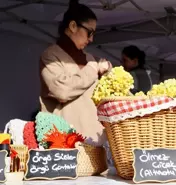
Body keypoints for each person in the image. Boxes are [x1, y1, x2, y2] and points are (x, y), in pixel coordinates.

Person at [39, 0, 111, 146]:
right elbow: (62, 91)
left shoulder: (89, 58)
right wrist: (92, 70)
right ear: (72, 26)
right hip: (64, 142)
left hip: (95, 141)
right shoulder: (50, 56)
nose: (91, 39)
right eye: (89, 32)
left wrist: (108, 75)